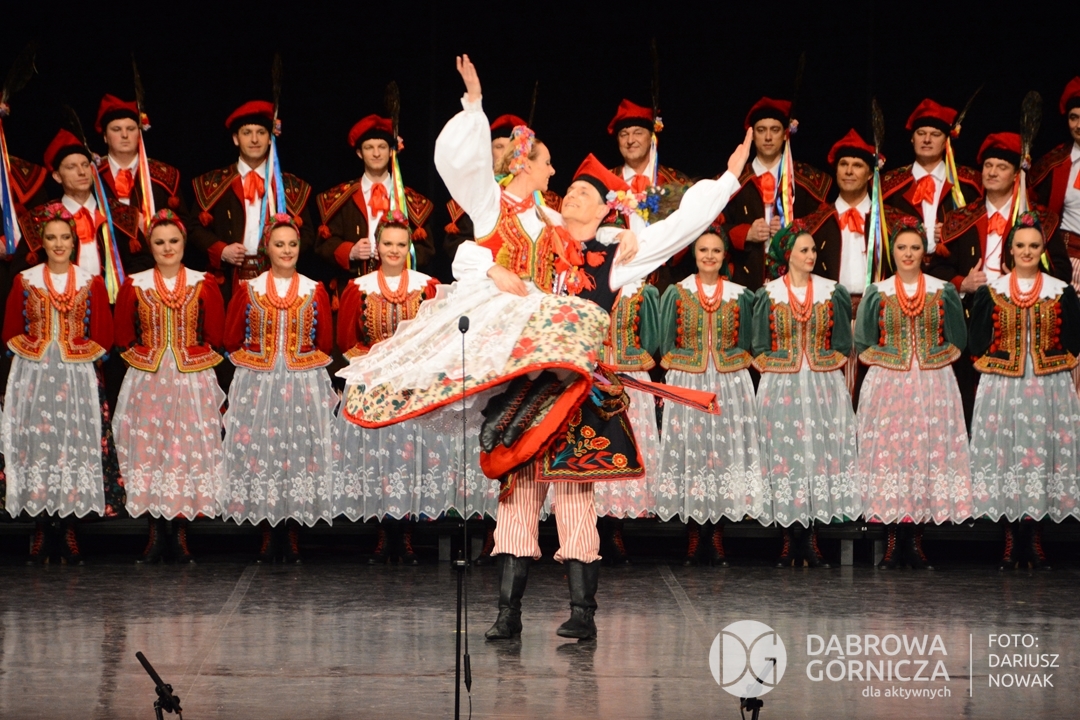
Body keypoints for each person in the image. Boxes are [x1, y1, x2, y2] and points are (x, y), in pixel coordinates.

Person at [340, 55, 748, 641]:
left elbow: (675, 229)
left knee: (576, 495)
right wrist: (490, 262)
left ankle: (583, 615)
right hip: (529, 386)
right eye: (568, 187)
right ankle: (507, 613)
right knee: (518, 494)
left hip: (578, 391)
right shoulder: (545, 230)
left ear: (604, 208)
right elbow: (484, 237)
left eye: (582, 192)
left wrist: (727, 180)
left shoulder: (614, 255)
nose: (569, 193)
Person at [2, 204, 120, 564]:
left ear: (74, 241)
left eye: (64, 237)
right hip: (34, 374)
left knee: (73, 444)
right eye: (51, 237)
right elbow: (10, 329)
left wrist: (85, 357)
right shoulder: (25, 280)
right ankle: (41, 525)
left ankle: (68, 525)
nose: (58, 244)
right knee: (38, 444)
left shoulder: (89, 281)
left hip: (75, 374)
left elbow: (103, 333)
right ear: (42, 241)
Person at [931, 132, 1070, 427]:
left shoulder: (1039, 220)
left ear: (1016, 175)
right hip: (971, 319)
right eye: (988, 166)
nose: (992, 172)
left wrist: (1026, 279)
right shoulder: (960, 218)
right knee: (969, 397)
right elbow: (937, 270)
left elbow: (1062, 272)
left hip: (1023, 322)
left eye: (1001, 167)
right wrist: (963, 283)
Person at [855, 221, 972, 569]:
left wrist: (934, 360)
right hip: (888, 385)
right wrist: (888, 361)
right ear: (893, 252)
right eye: (902, 248)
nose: (908, 254)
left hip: (933, 384)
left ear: (924, 252)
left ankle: (916, 541)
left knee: (924, 455)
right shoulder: (878, 291)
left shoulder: (942, 290)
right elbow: (863, 340)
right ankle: (892, 541)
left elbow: (958, 337)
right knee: (891, 457)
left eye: (915, 248)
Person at [967, 212, 1080, 570]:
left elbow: (1074, 337)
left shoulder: (1060, 291)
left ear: (1043, 249)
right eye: (1021, 245)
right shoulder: (992, 291)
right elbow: (977, 340)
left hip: (1048, 385)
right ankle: (1010, 538)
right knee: (1007, 455)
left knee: (1039, 455)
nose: (1027, 251)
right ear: (1010, 250)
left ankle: (1033, 538)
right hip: (1003, 386)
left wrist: (1055, 361)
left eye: (1033, 245)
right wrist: (993, 363)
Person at [112, 210, 226, 563]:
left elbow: (215, 333)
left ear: (184, 243)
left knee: (184, 452)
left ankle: (179, 531)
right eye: (159, 242)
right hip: (147, 380)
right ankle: (154, 532)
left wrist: (193, 360)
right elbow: (122, 334)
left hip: (192, 380)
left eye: (173, 241)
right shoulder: (136, 283)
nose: (167, 248)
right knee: (151, 451)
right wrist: (145, 361)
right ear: (150, 246)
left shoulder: (203, 282)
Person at [220, 214, 335, 562]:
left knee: (299, 453)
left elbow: (326, 341)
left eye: (292, 244)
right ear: (267, 248)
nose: (287, 250)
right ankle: (269, 531)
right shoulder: (249, 289)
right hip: (259, 382)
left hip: (302, 383)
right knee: (264, 452)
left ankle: (293, 531)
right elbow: (231, 337)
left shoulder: (313, 289)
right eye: (279, 244)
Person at [655, 225, 766, 566]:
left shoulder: (740, 295)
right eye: (703, 250)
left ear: (724, 256)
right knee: (691, 451)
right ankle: (693, 533)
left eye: (716, 250)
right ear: (694, 253)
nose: (709, 256)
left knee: (721, 454)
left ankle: (716, 533)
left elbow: (747, 339)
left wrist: (731, 363)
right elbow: (665, 340)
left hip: (728, 382)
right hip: (687, 378)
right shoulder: (676, 293)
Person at [752, 223, 859, 567]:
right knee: (785, 455)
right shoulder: (769, 294)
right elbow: (759, 343)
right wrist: (777, 367)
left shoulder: (832, 291)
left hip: (822, 385)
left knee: (818, 454)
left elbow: (842, 341)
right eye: (804, 250)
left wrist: (825, 365)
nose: (811, 255)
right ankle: (788, 537)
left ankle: (811, 536)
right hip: (781, 385)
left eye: (813, 249)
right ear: (788, 255)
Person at [332, 217, 438, 564]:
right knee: (377, 457)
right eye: (387, 244)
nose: (394, 250)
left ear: (409, 247)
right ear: (377, 247)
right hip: (373, 382)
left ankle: (406, 533)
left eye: (400, 244)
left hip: (411, 384)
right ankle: (381, 531)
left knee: (408, 457)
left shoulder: (427, 286)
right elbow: (346, 338)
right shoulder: (358, 287)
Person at [188, 101, 316, 306]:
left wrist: (284, 252)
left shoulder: (290, 186)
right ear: (235, 139)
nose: (254, 139)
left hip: (278, 279)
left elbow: (308, 233)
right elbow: (194, 226)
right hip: (228, 279)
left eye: (261, 132)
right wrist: (221, 250)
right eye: (247, 133)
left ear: (270, 138)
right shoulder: (214, 182)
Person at [799, 129, 882, 404]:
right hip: (830, 318)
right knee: (830, 395)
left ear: (869, 174)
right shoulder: (815, 221)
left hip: (875, 317)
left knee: (871, 392)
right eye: (843, 164)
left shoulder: (888, 221)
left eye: (857, 165)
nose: (848, 171)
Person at [314, 114, 435, 299]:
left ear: (391, 151)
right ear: (359, 153)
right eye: (369, 147)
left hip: (401, 290)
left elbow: (426, 248)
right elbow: (324, 243)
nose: (376, 153)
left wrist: (399, 255)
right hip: (353, 290)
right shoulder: (340, 198)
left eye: (382, 147)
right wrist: (350, 251)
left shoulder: (412, 201)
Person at [721, 97, 831, 290]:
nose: (768, 137)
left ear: (785, 134)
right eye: (761, 130)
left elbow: (825, 228)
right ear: (752, 135)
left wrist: (791, 229)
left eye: (775, 130)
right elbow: (714, 227)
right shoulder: (734, 180)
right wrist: (746, 233)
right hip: (745, 283)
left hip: (796, 284)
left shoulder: (806, 181)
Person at [443, 113, 563, 266]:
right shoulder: (479, 197)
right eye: (499, 147)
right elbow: (457, 245)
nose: (507, 153)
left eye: (511, 148)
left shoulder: (550, 203)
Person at [93, 94, 187, 274]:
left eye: (131, 128)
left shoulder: (164, 176)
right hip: (106, 271)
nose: (125, 135)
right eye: (116, 129)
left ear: (139, 132)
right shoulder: (91, 177)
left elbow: (185, 224)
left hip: (157, 271)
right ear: (105, 136)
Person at [881, 99, 982, 254]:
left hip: (952, 266)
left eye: (935, 134)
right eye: (921, 133)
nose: (927, 140)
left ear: (946, 140)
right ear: (912, 138)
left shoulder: (968, 183)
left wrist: (950, 231)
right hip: (904, 266)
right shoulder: (889, 185)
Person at [1030, 77, 1080, 288]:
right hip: (1069, 261)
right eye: (1073, 117)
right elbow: (1029, 204)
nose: (1079, 125)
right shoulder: (1054, 163)